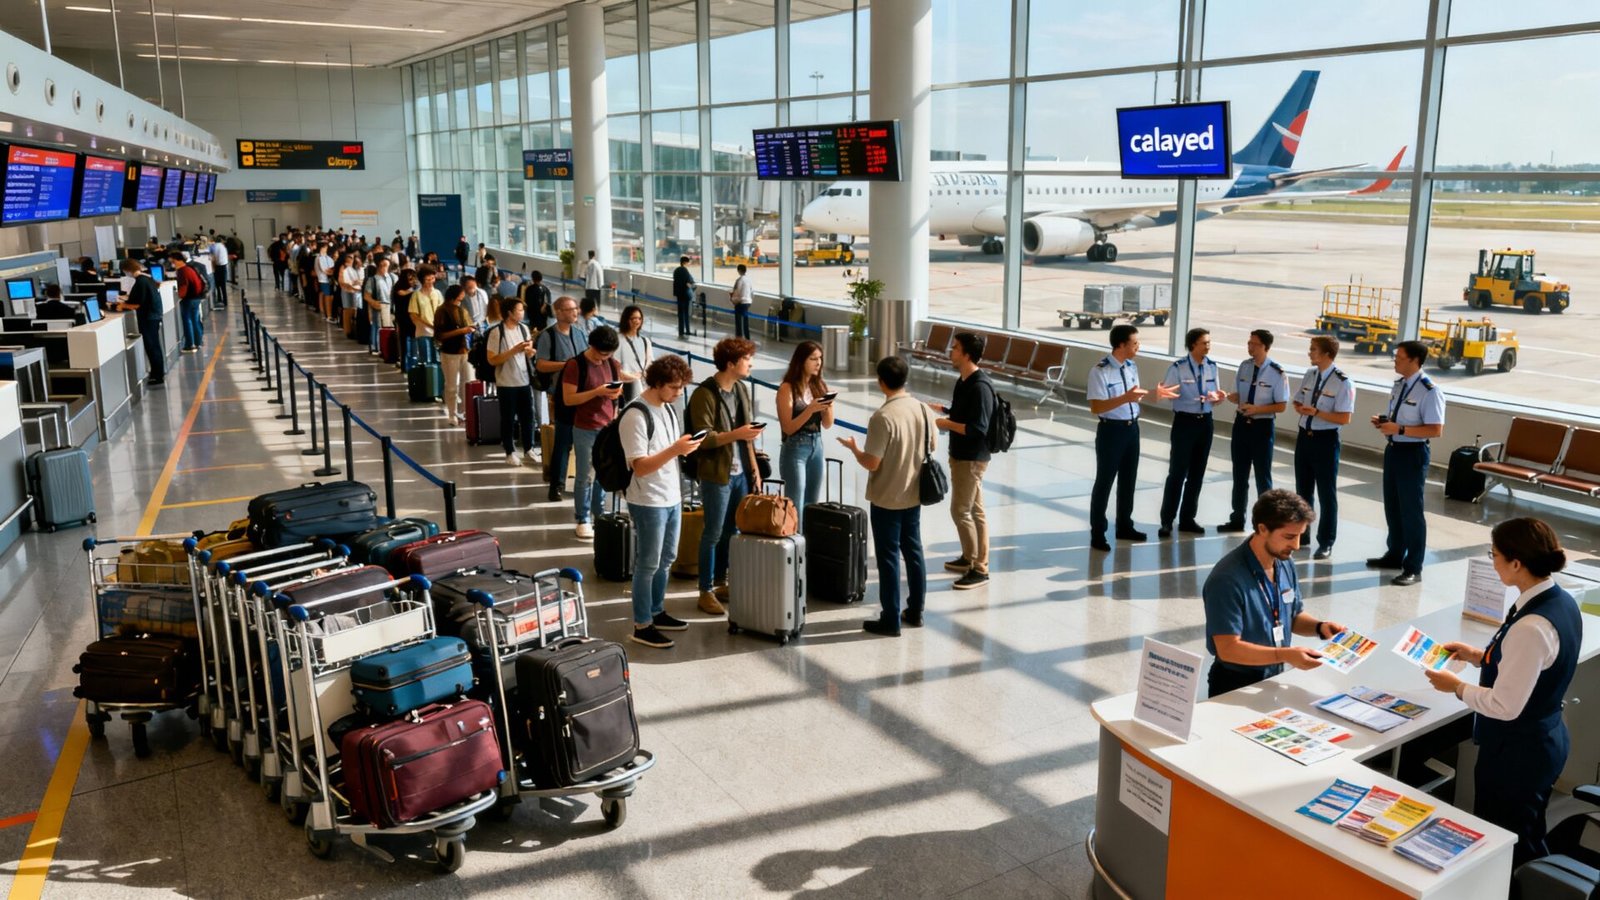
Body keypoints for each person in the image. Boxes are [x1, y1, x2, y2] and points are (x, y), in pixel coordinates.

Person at [1424, 518, 1581, 868]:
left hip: (1518, 753)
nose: (1491, 562)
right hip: (1543, 738)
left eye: (1494, 555)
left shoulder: (1531, 626)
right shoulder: (1559, 601)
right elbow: (1535, 666)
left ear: (1516, 562)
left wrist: (1457, 687)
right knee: (1524, 829)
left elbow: (1504, 705)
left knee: (1509, 843)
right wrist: (1479, 656)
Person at [1203, 489, 1346, 698]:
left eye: (1299, 536)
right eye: (1289, 536)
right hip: (1235, 684)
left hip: (1274, 676)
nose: (1296, 545)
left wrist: (1319, 627)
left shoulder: (1284, 562)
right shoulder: (1226, 579)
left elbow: (1293, 615)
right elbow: (1228, 649)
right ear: (1262, 528)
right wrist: (1285, 655)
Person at [839, 356, 935, 637]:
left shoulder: (882, 417)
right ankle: (916, 611)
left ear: (881, 382)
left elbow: (873, 462)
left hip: (886, 498)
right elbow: (932, 445)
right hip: (914, 494)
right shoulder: (923, 409)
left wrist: (855, 450)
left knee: (889, 558)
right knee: (914, 552)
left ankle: (890, 618)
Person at [622, 355, 705, 649]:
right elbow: (640, 466)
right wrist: (676, 449)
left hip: (671, 495)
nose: (679, 393)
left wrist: (682, 448)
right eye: (673, 387)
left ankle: (657, 610)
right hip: (648, 500)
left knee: (667, 559)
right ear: (656, 383)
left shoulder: (667, 409)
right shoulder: (635, 414)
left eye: (682, 387)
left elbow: (667, 452)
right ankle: (642, 623)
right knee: (648, 563)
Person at [687, 337, 763, 616]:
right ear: (731, 364)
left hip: (740, 471)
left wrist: (753, 467)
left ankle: (721, 581)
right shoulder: (705, 394)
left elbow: (747, 435)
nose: (751, 364)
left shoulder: (741, 389)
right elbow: (703, 438)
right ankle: (705, 589)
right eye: (746, 359)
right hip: (716, 473)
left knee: (732, 530)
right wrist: (737, 434)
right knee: (713, 532)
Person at [1086, 325, 1179, 551]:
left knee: (1129, 480)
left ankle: (1124, 525)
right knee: (1105, 482)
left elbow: (1133, 397)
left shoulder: (1131, 366)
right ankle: (1098, 532)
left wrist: (1151, 394)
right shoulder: (1100, 371)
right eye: (1135, 343)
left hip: (1131, 430)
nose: (1138, 347)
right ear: (1121, 345)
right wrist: (1125, 398)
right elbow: (1096, 406)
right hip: (1111, 431)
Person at [1367, 340, 1446, 586]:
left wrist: (1399, 428)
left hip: (1413, 454)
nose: (1395, 361)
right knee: (1392, 506)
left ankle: (1414, 566)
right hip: (1394, 450)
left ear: (1414, 360)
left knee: (1411, 512)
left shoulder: (1430, 390)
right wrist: (1385, 423)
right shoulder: (1400, 385)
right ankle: (1394, 554)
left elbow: (1435, 429)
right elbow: (1399, 416)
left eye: (1400, 357)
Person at [934, 332, 995, 590]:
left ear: (967, 354)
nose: (951, 351)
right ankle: (971, 558)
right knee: (976, 510)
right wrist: (945, 411)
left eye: (956, 348)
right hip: (962, 455)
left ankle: (978, 569)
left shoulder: (980, 386)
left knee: (960, 510)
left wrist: (946, 423)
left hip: (971, 459)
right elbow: (964, 413)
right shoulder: (964, 381)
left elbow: (978, 427)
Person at [1219, 329, 1291, 534]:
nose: (1249, 347)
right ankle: (1236, 518)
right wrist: (1230, 397)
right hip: (1242, 425)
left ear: (1265, 347)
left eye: (1254, 344)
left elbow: (1281, 405)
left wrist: (1257, 409)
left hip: (1262, 427)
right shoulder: (1244, 366)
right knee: (1239, 474)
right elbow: (1239, 394)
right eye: (1249, 343)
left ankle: (1265, 522)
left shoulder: (1277, 373)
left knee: (1262, 476)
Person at [1159, 327, 1226, 538]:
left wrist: (1217, 398)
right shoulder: (1178, 368)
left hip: (1205, 423)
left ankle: (1188, 518)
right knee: (1177, 473)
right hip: (1184, 423)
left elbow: (1215, 393)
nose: (1208, 346)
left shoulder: (1212, 367)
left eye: (1209, 342)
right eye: (1204, 342)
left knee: (1197, 474)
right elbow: (1168, 393)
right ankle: (1167, 520)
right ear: (1193, 345)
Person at [1290, 336, 1354, 559]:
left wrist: (1317, 413)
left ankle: (1326, 541)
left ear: (1327, 354)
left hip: (1325, 441)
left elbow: (1345, 417)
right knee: (1303, 490)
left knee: (1327, 494)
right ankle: (1302, 534)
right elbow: (1298, 399)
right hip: (1304, 437)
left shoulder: (1343, 382)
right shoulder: (1310, 374)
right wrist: (1299, 406)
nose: (1309, 353)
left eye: (1313, 349)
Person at [562, 325, 624, 540]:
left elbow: (616, 395)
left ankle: (600, 513)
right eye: (601, 353)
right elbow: (569, 399)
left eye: (609, 354)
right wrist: (597, 392)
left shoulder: (612, 364)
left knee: (603, 475)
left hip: (607, 427)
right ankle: (582, 517)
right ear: (592, 346)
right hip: (585, 427)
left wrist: (614, 394)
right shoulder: (575, 365)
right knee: (585, 476)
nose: (604, 358)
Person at [535, 296, 590, 503]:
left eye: (575, 308)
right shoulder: (548, 336)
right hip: (562, 394)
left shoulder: (580, 334)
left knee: (583, 440)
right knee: (563, 441)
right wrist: (566, 365)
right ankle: (556, 484)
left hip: (582, 394)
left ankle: (580, 483)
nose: (574, 312)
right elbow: (540, 365)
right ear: (558, 312)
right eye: (569, 309)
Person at [776, 341, 835, 525]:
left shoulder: (819, 386)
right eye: (813, 359)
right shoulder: (787, 388)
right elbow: (788, 427)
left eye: (820, 359)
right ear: (801, 361)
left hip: (817, 445)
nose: (818, 363)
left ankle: (809, 546)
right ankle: (796, 545)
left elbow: (827, 424)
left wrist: (828, 407)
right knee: (795, 502)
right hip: (796, 447)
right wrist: (810, 409)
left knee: (812, 501)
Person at [487, 298, 538, 466]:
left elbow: (529, 353)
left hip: (524, 380)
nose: (522, 313)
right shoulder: (497, 332)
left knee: (528, 416)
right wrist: (513, 351)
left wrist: (530, 352)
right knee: (508, 418)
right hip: (506, 382)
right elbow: (492, 359)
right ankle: (510, 450)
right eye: (519, 310)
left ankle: (529, 447)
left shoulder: (524, 329)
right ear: (509, 313)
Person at [116, 259, 165, 386]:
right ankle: (158, 372)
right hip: (153, 316)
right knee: (154, 346)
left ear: (127, 270)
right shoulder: (146, 279)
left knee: (151, 346)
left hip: (148, 318)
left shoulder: (141, 282)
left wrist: (122, 306)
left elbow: (137, 304)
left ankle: (157, 376)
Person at [434, 284, 475, 425]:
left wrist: (470, 329)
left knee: (468, 384)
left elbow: (469, 325)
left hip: (465, 351)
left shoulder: (462, 310)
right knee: (451, 386)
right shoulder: (442, 311)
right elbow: (439, 335)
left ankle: (464, 413)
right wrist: (461, 331)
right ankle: (452, 414)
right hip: (450, 353)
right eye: (459, 297)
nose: (461, 299)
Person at [408, 265, 444, 372]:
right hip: (422, 330)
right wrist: (425, 325)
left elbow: (442, 311)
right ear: (422, 279)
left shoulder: (437, 293)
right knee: (425, 359)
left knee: (437, 359)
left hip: (437, 331)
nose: (430, 281)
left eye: (432, 278)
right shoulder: (416, 295)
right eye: (427, 279)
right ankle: (427, 383)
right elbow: (413, 314)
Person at [168, 252, 206, 354]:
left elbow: (183, 288)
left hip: (188, 299)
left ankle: (190, 345)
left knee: (187, 321)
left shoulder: (182, 271)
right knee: (195, 320)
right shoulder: (190, 268)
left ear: (177, 260)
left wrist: (179, 295)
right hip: (196, 298)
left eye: (172, 262)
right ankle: (198, 342)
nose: (172, 264)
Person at [616, 304, 652, 405]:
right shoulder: (619, 340)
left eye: (639, 318)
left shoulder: (645, 341)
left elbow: (650, 364)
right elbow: (616, 367)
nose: (637, 321)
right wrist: (633, 377)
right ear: (626, 320)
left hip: (644, 384)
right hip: (628, 385)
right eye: (633, 318)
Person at [362, 257, 397, 355]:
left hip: (390, 306)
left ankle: (386, 347)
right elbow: (366, 295)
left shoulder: (392, 278)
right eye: (382, 265)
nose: (384, 268)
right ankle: (376, 347)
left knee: (389, 327)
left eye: (386, 265)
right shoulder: (372, 280)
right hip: (379, 305)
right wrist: (373, 302)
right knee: (377, 326)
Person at [391, 268, 418, 369]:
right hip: (402, 318)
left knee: (413, 341)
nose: (412, 281)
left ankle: (413, 364)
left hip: (412, 318)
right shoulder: (399, 287)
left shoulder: (413, 290)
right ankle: (404, 364)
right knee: (404, 341)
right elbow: (401, 293)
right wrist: (413, 289)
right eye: (410, 279)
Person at [337, 252, 363, 336]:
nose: (352, 258)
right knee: (347, 311)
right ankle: (347, 331)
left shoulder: (356, 268)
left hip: (355, 291)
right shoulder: (344, 267)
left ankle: (353, 330)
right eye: (350, 257)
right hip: (347, 291)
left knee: (353, 311)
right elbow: (341, 281)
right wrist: (351, 284)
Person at [672, 255, 696, 337]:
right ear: (685, 262)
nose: (689, 264)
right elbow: (690, 282)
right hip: (685, 295)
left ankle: (681, 331)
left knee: (680, 313)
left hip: (679, 294)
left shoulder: (676, 270)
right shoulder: (685, 271)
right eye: (688, 262)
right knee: (686, 313)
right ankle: (688, 330)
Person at [730, 263, 754, 339]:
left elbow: (737, 292)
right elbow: (752, 292)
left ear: (739, 270)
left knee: (739, 322)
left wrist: (733, 300)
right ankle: (747, 338)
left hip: (740, 303)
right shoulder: (749, 280)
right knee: (745, 322)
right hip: (747, 302)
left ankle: (739, 338)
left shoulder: (739, 280)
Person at [315, 242, 336, 322]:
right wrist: (330, 271)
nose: (326, 248)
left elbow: (332, 268)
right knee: (326, 296)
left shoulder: (328, 258)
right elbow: (324, 270)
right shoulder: (319, 258)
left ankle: (328, 314)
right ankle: (328, 315)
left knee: (329, 296)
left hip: (329, 280)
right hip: (323, 279)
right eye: (325, 247)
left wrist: (331, 271)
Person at [207, 236, 229, 305]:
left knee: (217, 284)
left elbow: (212, 257)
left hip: (218, 267)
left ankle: (219, 298)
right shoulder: (223, 247)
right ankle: (225, 301)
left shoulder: (214, 247)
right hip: (224, 267)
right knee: (223, 285)